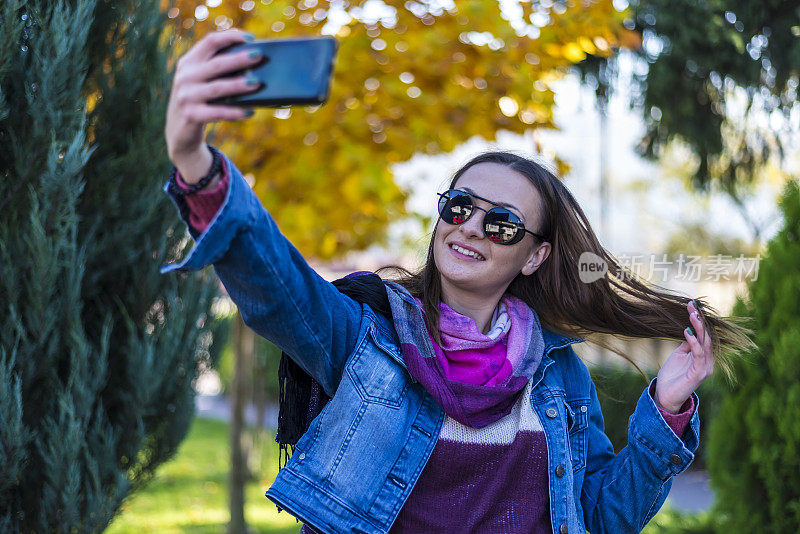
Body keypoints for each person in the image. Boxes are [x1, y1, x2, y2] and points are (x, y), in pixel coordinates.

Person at [162, 29, 752, 534]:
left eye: (501, 224)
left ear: (533, 256)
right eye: (460, 206)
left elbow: (598, 516)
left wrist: (668, 408)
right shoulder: (368, 336)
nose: (470, 228)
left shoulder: (557, 373)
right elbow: (276, 286)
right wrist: (196, 162)